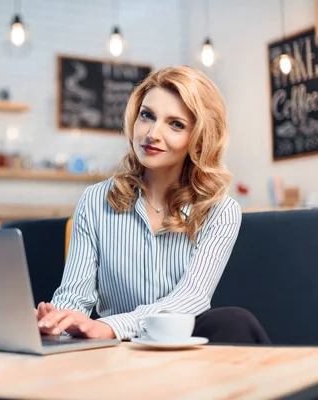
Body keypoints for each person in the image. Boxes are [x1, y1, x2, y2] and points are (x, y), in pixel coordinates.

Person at [36, 65, 271, 344]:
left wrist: (110, 326)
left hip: (184, 347)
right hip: (118, 351)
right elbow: (75, 295)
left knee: (235, 321)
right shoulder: (95, 201)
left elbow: (190, 299)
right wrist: (57, 320)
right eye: (147, 116)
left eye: (175, 124)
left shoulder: (220, 211)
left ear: (198, 139)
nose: (153, 134)